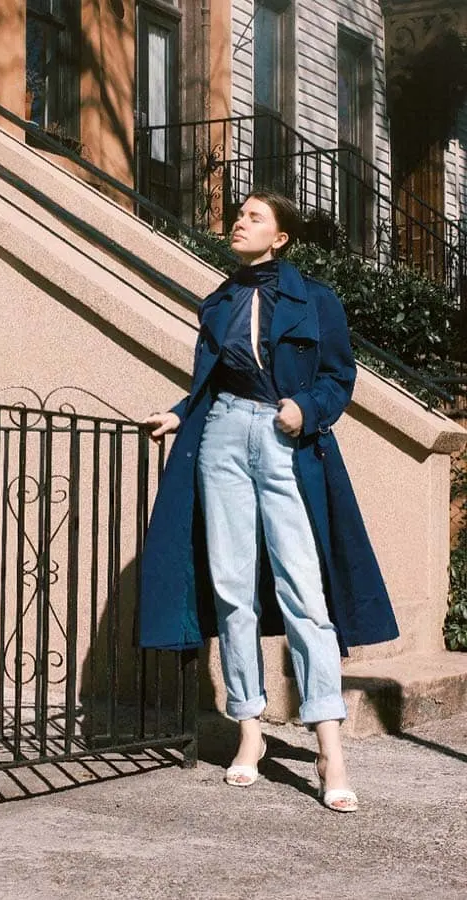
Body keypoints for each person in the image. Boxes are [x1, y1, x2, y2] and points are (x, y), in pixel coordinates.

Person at [139, 191, 399, 811]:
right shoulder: (220, 300)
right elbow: (211, 381)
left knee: (303, 591)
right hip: (221, 435)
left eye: (255, 217)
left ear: (279, 236)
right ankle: (249, 732)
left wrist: (304, 409)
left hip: (284, 440)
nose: (239, 222)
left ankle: (328, 743)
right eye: (239, 214)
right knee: (231, 586)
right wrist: (180, 415)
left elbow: (340, 378)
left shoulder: (317, 301)